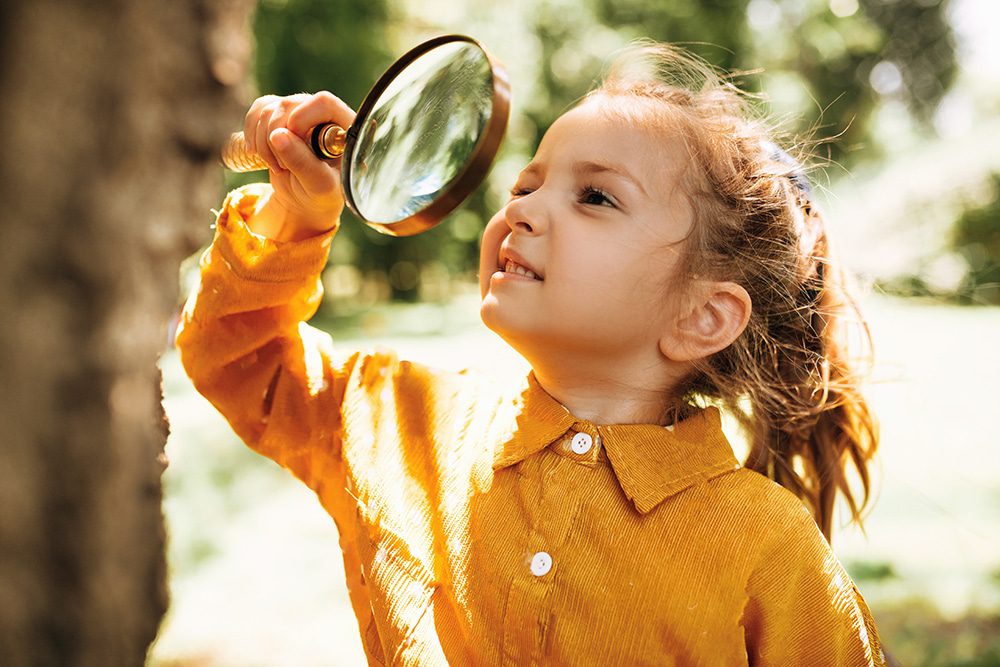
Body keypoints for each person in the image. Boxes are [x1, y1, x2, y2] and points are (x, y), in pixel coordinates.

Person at [175, 40, 885, 665]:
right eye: (526, 185)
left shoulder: (765, 545)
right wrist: (294, 215)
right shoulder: (406, 419)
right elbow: (241, 359)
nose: (521, 209)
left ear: (702, 316)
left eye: (597, 197)